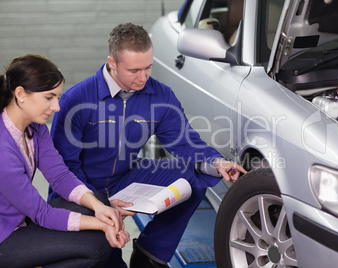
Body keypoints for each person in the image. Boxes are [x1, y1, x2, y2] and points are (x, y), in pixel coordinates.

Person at [49, 22, 247, 268]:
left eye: (148, 68)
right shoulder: (76, 99)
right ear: (112, 63)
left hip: (125, 178)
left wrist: (217, 163)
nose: (143, 78)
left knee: (190, 180)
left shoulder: (160, 95)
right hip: (81, 189)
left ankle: (150, 254)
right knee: (106, 258)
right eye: (134, 70)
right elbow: (64, 166)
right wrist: (99, 203)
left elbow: (183, 140)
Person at [0, 54, 130, 268]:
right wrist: (104, 225)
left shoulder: (34, 126)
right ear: (21, 94)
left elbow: (59, 176)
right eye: (49, 97)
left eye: (57, 97)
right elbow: (42, 213)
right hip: (5, 237)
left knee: (97, 199)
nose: (57, 107)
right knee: (97, 246)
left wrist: (99, 209)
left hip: (22, 220)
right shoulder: (3, 149)